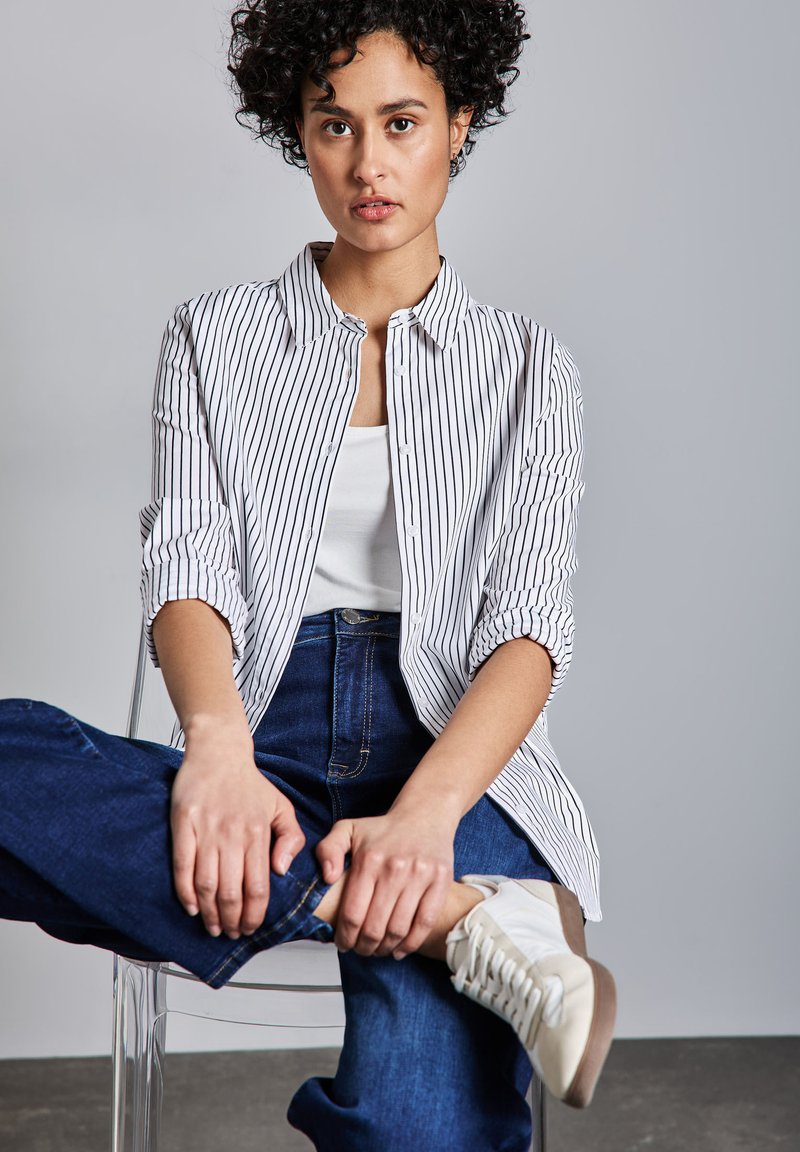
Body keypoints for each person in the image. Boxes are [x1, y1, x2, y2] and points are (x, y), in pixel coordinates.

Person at [0, 2, 616, 1148]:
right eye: (335, 126)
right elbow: (186, 569)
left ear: (459, 124)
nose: (368, 164)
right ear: (298, 130)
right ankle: (466, 923)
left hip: (453, 749)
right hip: (262, 724)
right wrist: (217, 753)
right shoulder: (213, 338)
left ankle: (444, 889)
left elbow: (529, 629)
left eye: (402, 123)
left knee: (415, 1130)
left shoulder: (529, 365)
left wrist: (422, 818)